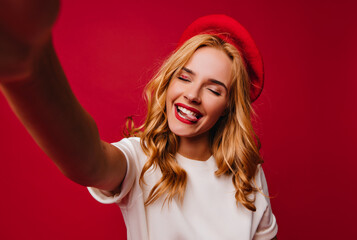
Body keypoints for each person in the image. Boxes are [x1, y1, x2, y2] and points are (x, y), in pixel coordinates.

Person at [0, 1, 278, 239]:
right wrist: (28, 67)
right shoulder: (141, 159)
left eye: (213, 89)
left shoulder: (248, 175)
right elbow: (89, 162)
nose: (192, 94)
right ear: (168, 82)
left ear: (228, 106)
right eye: (184, 77)